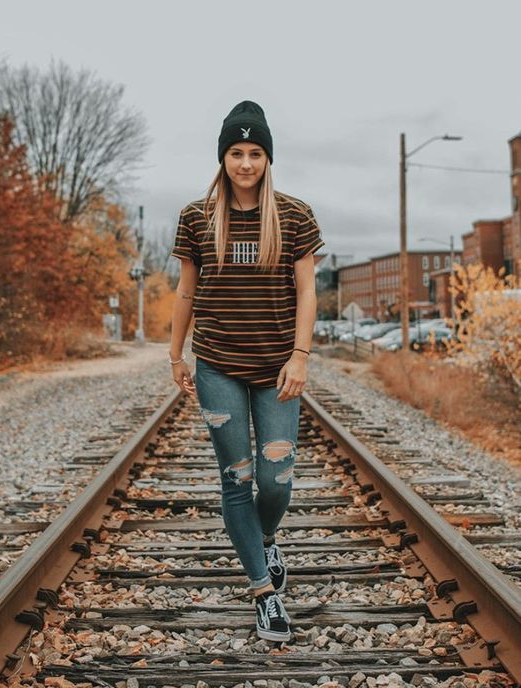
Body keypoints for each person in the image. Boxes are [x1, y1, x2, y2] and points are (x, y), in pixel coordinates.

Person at [169, 100, 324, 642]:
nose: (245, 163)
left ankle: (265, 538)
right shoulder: (195, 217)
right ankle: (265, 594)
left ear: (267, 158)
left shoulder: (295, 215)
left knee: (276, 479)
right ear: (223, 157)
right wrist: (175, 354)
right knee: (236, 481)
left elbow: (308, 290)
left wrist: (301, 355)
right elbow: (186, 290)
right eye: (236, 152)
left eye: (255, 152)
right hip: (217, 366)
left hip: (279, 366)